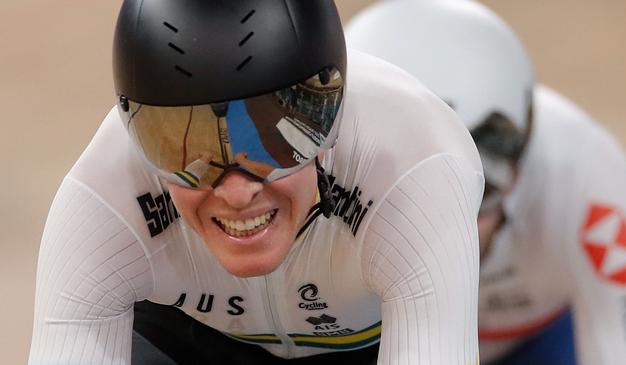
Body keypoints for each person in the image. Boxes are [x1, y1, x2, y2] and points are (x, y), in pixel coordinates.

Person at [28, 0, 485, 364]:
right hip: (187, 341)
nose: (236, 191)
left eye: (273, 143)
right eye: (186, 154)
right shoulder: (104, 194)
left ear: (331, 126)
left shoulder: (414, 162)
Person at [345, 1, 626, 364]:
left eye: (478, 191)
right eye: (400, 192)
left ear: (521, 159)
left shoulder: (588, 180)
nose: (447, 224)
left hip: (531, 344)